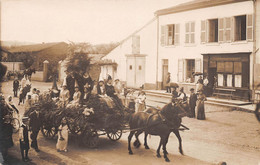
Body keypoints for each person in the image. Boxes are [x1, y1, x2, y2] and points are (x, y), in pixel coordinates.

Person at [0, 95, 14, 163]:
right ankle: (4, 157)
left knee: (6, 143)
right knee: (3, 144)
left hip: (6, 127)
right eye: (1, 100)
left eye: (3, 99)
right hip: (2, 127)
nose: (3, 101)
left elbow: (10, 110)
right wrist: (3, 118)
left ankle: (6, 155)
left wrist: (9, 115)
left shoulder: (5, 105)